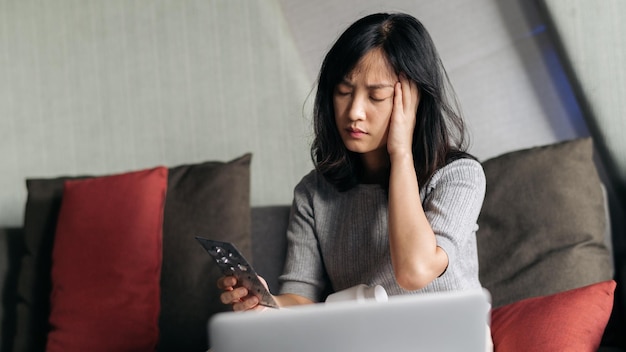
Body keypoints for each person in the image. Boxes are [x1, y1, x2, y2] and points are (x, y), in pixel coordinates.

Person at [218, 12, 486, 312]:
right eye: (344, 92)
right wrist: (265, 304)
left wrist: (401, 154)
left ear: (414, 101)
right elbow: (301, 298)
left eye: (376, 96)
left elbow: (415, 272)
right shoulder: (314, 193)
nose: (355, 111)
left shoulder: (458, 176)